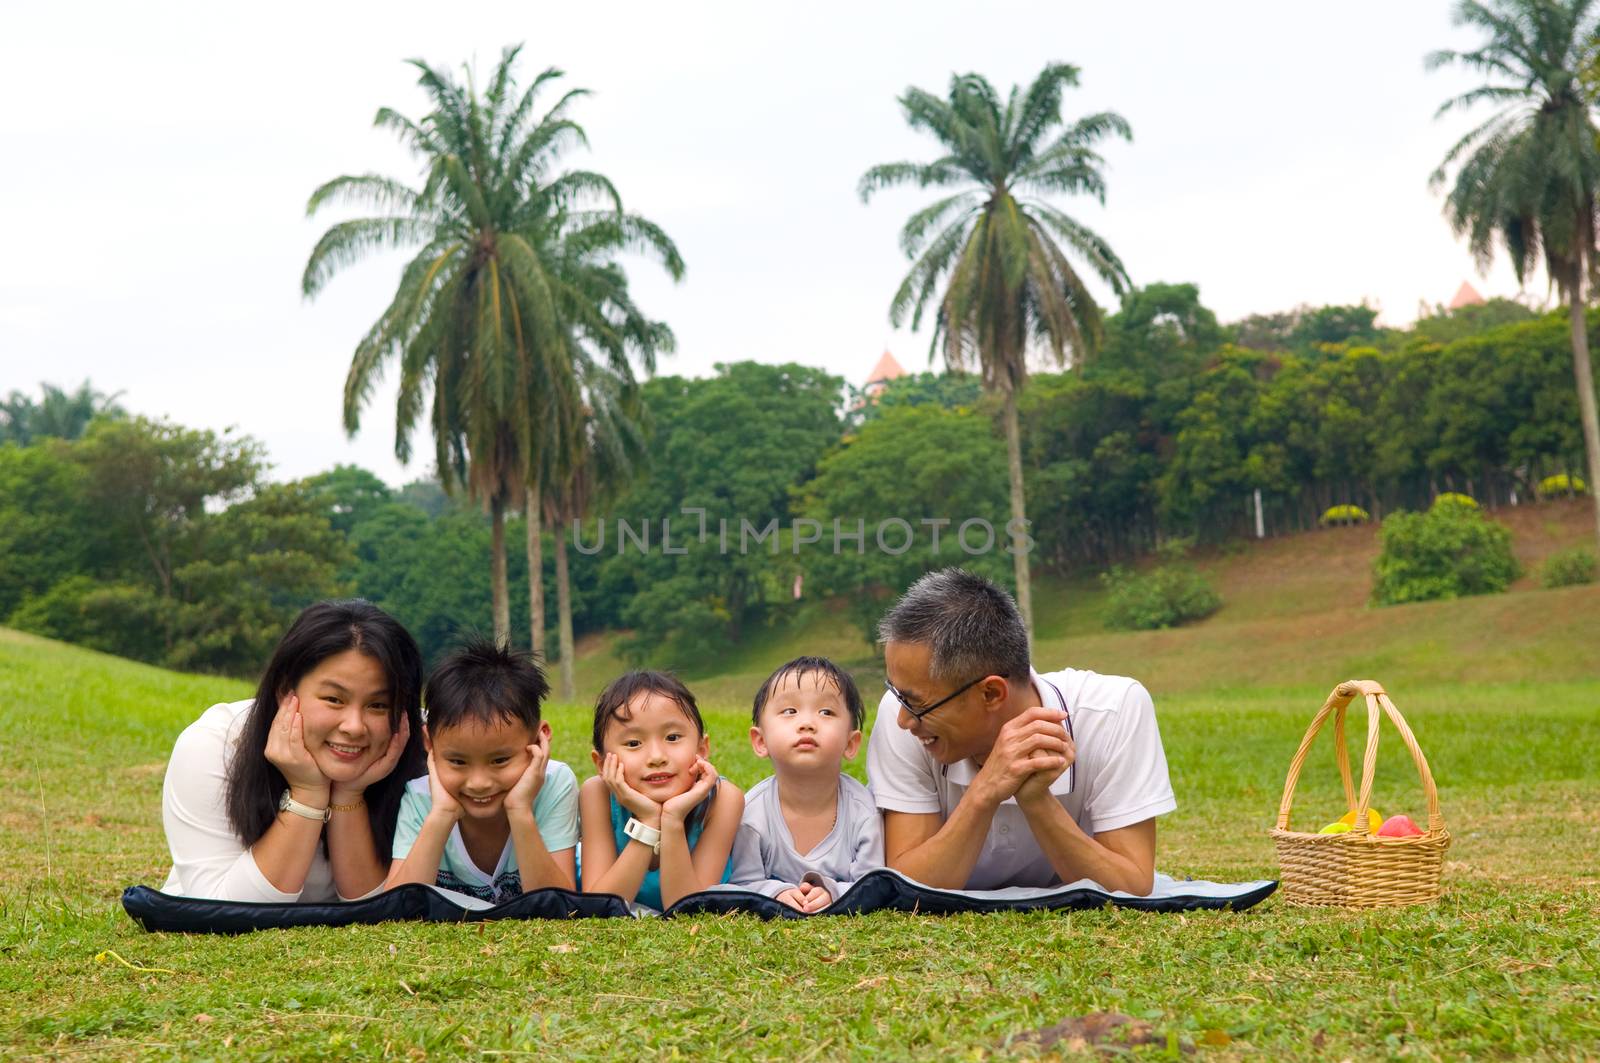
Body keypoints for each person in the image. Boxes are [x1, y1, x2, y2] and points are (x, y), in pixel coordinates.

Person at [867, 568, 1175, 895]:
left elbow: (1130, 885)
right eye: (896, 693)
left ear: (991, 694)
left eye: (914, 703)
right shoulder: (900, 713)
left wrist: (1035, 798)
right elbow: (907, 885)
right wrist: (986, 790)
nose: (903, 719)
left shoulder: (1112, 712)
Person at [160, 599, 426, 902]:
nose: (354, 726)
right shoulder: (212, 747)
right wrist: (308, 792)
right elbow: (222, 907)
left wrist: (349, 794)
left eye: (378, 705)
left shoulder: (436, 749)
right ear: (286, 690)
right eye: (334, 699)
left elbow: (379, 909)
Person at [384, 638, 578, 902]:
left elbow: (562, 906)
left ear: (538, 740)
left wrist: (520, 811)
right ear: (429, 743)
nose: (479, 783)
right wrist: (441, 815)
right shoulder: (421, 798)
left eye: (499, 761)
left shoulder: (554, 784)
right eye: (458, 762)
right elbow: (396, 909)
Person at [729, 656, 883, 912]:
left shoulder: (864, 812)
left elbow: (873, 882)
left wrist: (834, 893)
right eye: (789, 711)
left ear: (851, 743)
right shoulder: (751, 814)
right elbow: (744, 882)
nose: (807, 723)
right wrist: (776, 893)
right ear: (760, 741)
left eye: (826, 712)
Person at [578, 671, 743, 910]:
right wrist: (647, 821)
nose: (656, 757)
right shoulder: (598, 794)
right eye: (633, 743)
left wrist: (673, 818)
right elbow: (599, 908)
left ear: (702, 748)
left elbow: (687, 910)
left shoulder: (723, 799)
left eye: (673, 737)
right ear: (602, 764)